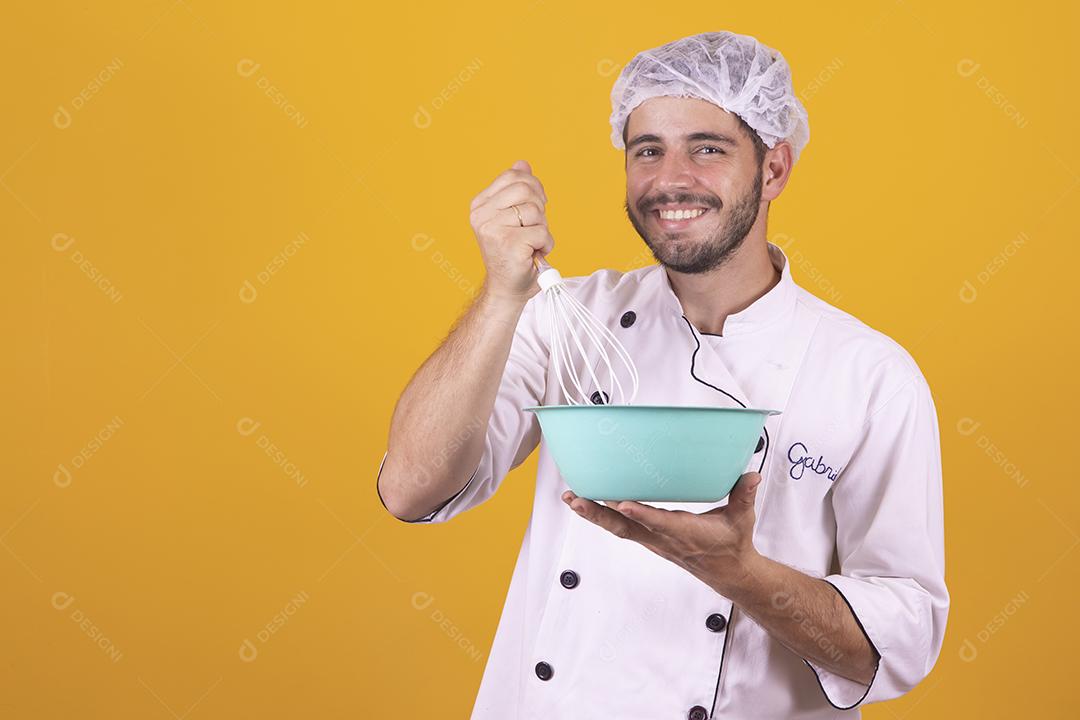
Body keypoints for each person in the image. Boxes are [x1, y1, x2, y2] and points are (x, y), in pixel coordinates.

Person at [376, 30, 948, 719]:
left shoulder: (870, 375)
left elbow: (900, 642)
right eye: (647, 150)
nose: (671, 178)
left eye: (707, 148)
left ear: (774, 170)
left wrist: (737, 572)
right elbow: (410, 489)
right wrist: (501, 293)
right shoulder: (569, 320)